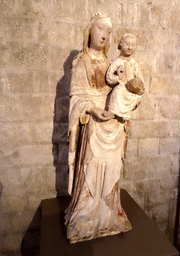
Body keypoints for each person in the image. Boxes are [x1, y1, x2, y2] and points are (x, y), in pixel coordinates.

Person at [65, 14, 132, 244]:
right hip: (94, 125)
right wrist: (92, 110)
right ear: (90, 31)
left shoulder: (111, 63)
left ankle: (109, 212)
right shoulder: (81, 61)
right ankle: (86, 213)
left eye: (108, 31)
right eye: (100, 28)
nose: (104, 34)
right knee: (91, 172)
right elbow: (76, 97)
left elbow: (121, 88)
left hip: (112, 125)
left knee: (111, 171)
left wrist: (125, 104)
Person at [106, 33, 145, 120]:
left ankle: (126, 113)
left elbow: (139, 76)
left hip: (131, 90)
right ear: (121, 44)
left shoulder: (134, 63)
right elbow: (109, 77)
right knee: (117, 92)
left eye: (133, 45)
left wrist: (141, 87)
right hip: (121, 87)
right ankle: (113, 111)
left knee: (136, 97)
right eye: (127, 44)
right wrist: (118, 78)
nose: (130, 47)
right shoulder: (117, 62)